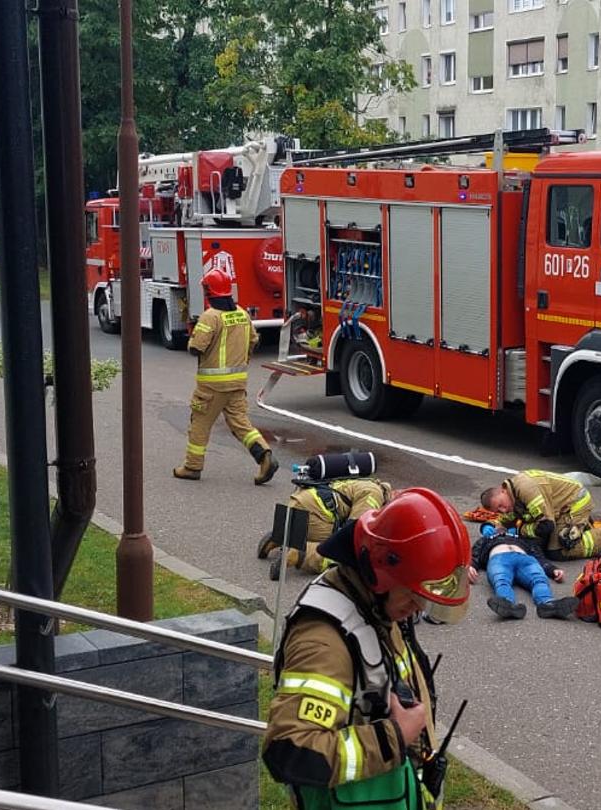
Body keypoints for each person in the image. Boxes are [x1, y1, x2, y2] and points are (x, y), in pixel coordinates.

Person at [263, 488, 470, 809]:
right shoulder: (323, 641)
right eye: (413, 595)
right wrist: (395, 737)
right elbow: (291, 751)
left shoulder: (377, 604)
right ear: (380, 571)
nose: (417, 609)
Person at [173, 257, 277, 484]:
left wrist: (193, 341)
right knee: (241, 424)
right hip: (237, 383)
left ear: (209, 290)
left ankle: (192, 467)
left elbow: (195, 348)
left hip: (211, 386)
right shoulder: (242, 313)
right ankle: (264, 455)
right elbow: (253, 341)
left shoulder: (210, 317)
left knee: (199, 424)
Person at [262, 476, 393, 580]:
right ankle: (298, 554)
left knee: (332, 531)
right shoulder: (375, 494)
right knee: (340, 552)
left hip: (299, 503)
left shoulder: (363, 482)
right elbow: (355, 528)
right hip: (315, 515)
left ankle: (281, 536)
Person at [479, 470, 601, 560]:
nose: (503, 510)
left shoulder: (526, 490)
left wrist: (520, 530)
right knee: (539, 543)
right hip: (558, 508)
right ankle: (582, 526)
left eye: (501, 505)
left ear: (503, 490)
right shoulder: (512, 493)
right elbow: (507, 519)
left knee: (557, 551)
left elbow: (546, 526)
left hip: (574, 503)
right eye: (498, 511)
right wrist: (495, 526)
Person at [467, 522, 575, 619]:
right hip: (499, 558)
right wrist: (471, 566)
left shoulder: (522, 537)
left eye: (503, 525)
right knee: (501, 580)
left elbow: (538, 556)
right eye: (496, 525)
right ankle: (507, 605)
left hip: (524, 559)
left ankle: (548, 604)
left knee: (539, 579)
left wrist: (552, 570)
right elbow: (474, 553)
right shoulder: (486, 539)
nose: (500, 527)